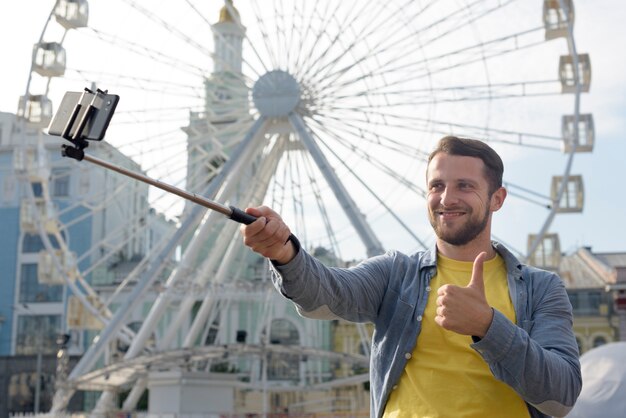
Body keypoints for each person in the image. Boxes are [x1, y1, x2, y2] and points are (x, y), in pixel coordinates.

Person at [240, 136, 581, 418]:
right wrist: (285, 253)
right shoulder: (396, 274)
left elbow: (560, 395)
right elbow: (326, 295)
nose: (447, 198)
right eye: (437, 185)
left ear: (497, 199)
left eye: (464, 186)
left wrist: (488, 326)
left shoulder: (541, 289)